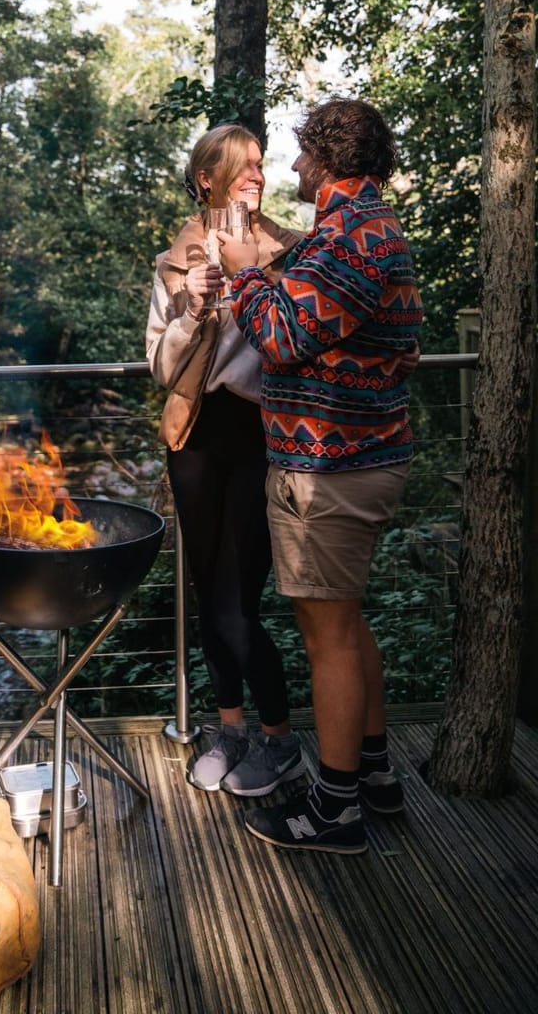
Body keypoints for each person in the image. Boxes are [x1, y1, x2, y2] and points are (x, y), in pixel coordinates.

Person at [216, 97, 423, 855]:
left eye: (302, 154)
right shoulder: (370, 230)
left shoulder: (350, 237)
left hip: (329, 469)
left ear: (329, 158)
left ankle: (334, 812)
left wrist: (241, 274)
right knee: (349, 621)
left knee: (326, 635)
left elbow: (280, 335)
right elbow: (400, 338)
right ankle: (374, 773)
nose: (294, 167)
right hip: (359, 457)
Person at [145, 123, 306, 798]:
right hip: (194, 435)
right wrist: (192, 310)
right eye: (242, 167)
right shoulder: (175, 260)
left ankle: (278, 739)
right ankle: (229, 729)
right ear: (206, 177)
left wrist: (250, 278)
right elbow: (160, 367)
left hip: (263, 435)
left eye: (261, 165)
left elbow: (301, 345)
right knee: (209, 594)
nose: (256, 176)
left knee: (240, 603)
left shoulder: (292, 252)